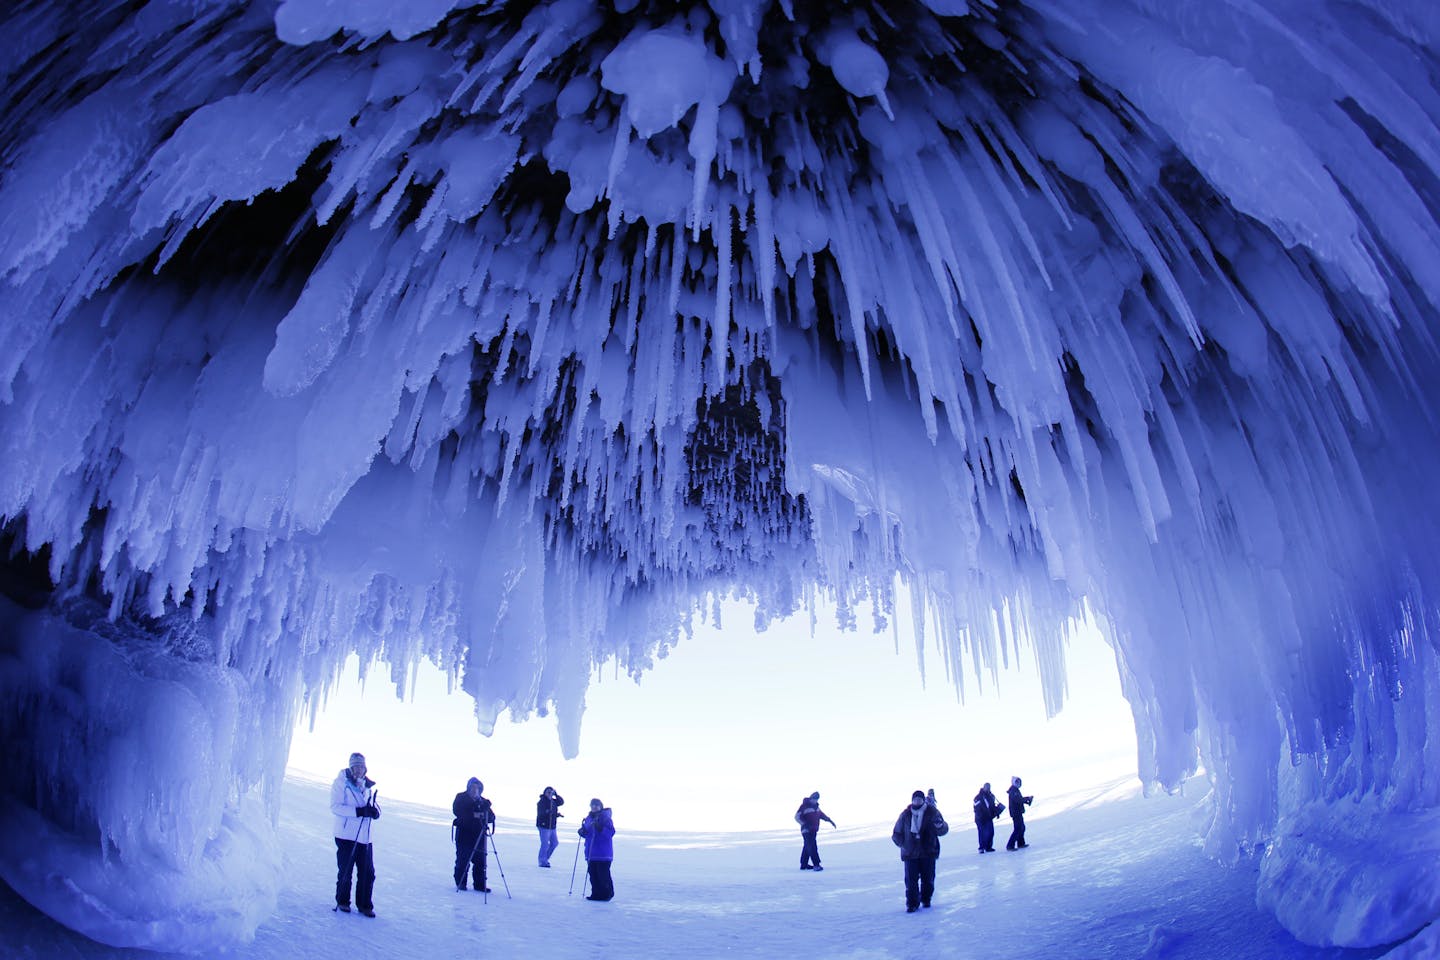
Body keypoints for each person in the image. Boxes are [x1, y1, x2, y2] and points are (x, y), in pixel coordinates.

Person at [330, 751, 380, 917]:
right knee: (346, 870)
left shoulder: (368, 786)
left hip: (365, 837)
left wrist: (375, 812)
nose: (358, 769)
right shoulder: (340, 783)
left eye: (361, 766)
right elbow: (335, 807)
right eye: (355, 766)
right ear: (350, 768)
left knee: (368, 872)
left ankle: (365, 905)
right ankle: (343, 901)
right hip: (346, 835)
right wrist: (358, 811)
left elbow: (373, 805)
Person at [891, 788, 949, 913]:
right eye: (915, 799)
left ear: (923, 800)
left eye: (919, 799)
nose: (917, 801)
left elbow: (943, 830)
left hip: (928, 852)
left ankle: (926, 899)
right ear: (912, 800)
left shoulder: (932, 812)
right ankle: (912, 903)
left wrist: (940, 826)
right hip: (910, 854)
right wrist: (904, 844)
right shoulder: (905, 815)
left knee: (928, 879)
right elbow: (896, 833)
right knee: (911, 882)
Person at [452, 777, 496, 891]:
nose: (475, 790)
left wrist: (483, 810)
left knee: (481, 861)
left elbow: (491, 817)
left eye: (477, 788)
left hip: (479, 836)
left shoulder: (482, 801)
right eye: (473, 787)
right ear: (468, 787)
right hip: (464, 834)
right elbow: (458, 812)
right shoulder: (461, 797)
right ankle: (461, 883)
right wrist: (475, 813)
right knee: (463, 860)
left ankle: (480, 885)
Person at [578, 798, 616, 901]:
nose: (594, 807)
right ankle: (596, 894)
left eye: (596, 805)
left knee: (603, 875)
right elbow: (588, 833)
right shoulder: (589, 818)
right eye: (592, 805)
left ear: (601, 806)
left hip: (603, 853)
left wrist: (600, 828)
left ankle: (606, 894)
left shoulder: (605, 818)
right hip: (591, 852)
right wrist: (582, 832)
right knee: (593, 874)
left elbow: (610, 833)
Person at [794, 791, 837, 871]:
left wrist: (830, 820)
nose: (815, 800)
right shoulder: (804, 806)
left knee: (807, 846)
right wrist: (804, 824)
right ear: (811, 798)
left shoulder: (816, 807)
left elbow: (821, 815)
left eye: (816, 799)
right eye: (814, 799)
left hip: (814, 830)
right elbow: (797, 817)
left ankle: (804, 865)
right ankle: (816, 865)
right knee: (812, 846)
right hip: (806, 830)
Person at [536, 786, 565, 867]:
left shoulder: (553, 801)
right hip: (544, 826)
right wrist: (547, 812)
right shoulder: (542, 802)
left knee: (554, 843)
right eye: (548, 792)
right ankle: (542, 861)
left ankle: (545, 858)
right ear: (545, 793)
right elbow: (541, 813)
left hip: (552, 826)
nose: (549, 794)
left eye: (551, 792)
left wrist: (556, 794)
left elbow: (561, 802)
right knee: (545, 844)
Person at [973, 782, 1004, 853]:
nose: (988, 789)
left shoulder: (991, 796)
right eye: (986, 787)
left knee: (991, 832)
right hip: (980, 818)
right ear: (983, 787)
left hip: (988, 817)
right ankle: (981, 848)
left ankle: (988, 847)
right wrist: (981, 816)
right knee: (982, 833)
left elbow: (992, 806)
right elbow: (976, 808)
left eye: (989, 787)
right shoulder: (978, 797)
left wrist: (997, 813)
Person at [1005, 776, 1034, 851]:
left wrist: (1027, 800)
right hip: (1015, 812)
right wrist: (1027, 799)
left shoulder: (1015, 790)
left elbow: (1019, 800)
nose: (1019, 784)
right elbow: (1018, 800)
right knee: (1018, 829)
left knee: (1021, 828)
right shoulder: (1013, 791)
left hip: (1018, 812)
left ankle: (1020, 843)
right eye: (1017, 782)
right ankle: (1010, 845)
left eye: (1019, 782)